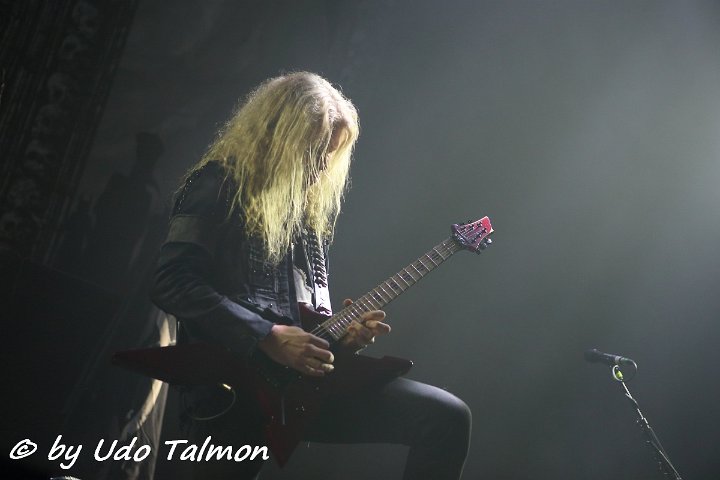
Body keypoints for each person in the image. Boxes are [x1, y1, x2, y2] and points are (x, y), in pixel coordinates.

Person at [151, 72, 471, 479]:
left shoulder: (307, 218)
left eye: (330, 154)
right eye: (316, 150)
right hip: (231, 390)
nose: (322, 166)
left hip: (300, 388)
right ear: (278, 136)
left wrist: (342, 338)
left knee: (445, 417)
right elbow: (171, 282)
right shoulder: (216, 184)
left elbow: (301, 322)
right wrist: (266, 335)